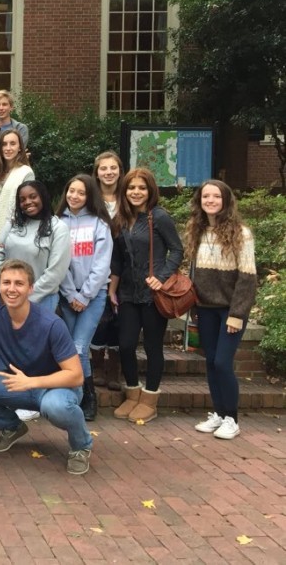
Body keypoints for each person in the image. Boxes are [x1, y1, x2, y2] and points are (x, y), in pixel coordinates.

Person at [0, 260, 93, 475]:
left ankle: (81, 446)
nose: (12, 289)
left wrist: (32, 382)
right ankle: (11, 427)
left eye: (19, 283)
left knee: (57, 407)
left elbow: (76, 376)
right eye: (6, 282)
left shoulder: (51, 324)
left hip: (57, 388)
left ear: (30, 288)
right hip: (19, 385)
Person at [109, 168, 184, 424]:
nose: (136, 192)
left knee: (153, 347)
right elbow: (117, 259)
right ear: (124, 191)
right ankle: (132, 393)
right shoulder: (120, 219)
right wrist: (112, 289)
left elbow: (177, 250)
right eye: (131, 188)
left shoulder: (158, 217)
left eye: (141, 188)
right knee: (126, 344)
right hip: (128, 292)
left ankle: (150, 399)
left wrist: (161, 277)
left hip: (153, 294)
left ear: (150, 190)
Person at [186, 180, 257, 440]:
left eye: (216, 196)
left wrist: (237, 314)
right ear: (200, 200)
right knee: (211, 364)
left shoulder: (241, 233)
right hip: (205, 309)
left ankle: (232, 419)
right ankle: (218, 413)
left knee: (222, 363)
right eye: (206, 196)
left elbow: (248, 278)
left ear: (226, 200)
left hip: (230, 311)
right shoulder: (197, 230)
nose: (211, 200)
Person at [56, 175, 114, 421]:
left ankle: (84, 398)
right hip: (67, 296)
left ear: (90, 196)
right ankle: (82, 396)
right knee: (73, 349)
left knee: (79, 348)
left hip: (94, 296)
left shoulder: (100, 224)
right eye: (71, 191)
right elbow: (58, 262)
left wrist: (85, 294)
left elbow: (102, 265)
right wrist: (70, 294)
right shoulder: (58, 223)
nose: (75, 196)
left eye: (81, 192)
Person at [0, 181, 71, 313]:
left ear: (43, 197)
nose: (27, 202)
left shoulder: (58, 228)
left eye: (33, 196)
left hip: (42, 300)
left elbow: (55, 273)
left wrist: (25, 296)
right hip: (9, 297)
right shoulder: (12, 224)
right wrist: (6, 289)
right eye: (22, 199)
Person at [90, 150, 124, 389]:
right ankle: (97, 366)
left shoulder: (128, 197)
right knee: (99, 318)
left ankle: (114, 370)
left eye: (113, 168)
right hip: (97, 265)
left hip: (126, 266)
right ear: (97, 172)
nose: (108, 172)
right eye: (104, 168)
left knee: (119, 319)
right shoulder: (91, 199)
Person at [0, 129, 34, 237]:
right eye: (4, 144)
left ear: (20, 147)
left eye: (13, 144)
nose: (8, 148)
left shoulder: (26, 172)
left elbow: (28, 206)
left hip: (14, 232)